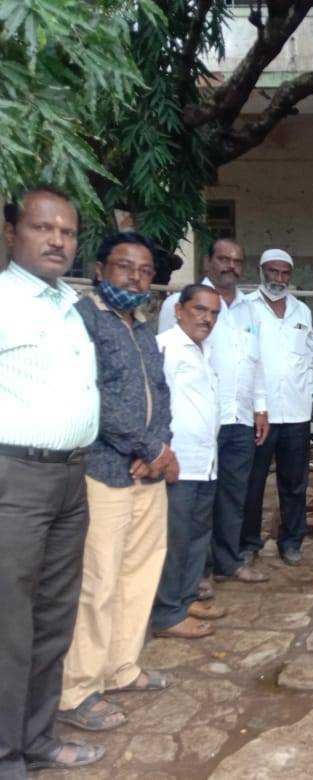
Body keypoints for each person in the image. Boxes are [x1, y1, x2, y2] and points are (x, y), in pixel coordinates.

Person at [0, 186, 104, 774]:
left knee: (52, 619)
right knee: (8, 626)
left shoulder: (67, 303)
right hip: (15, 479)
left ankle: (36, 741)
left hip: (68, 478)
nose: (58, 240)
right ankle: (6, 754)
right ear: (12, 230)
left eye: (67, 231)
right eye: (44, 228)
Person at [58, 233, 176, 734]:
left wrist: (159, 449)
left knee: (139, 572)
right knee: (98, 581)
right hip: (104, 470)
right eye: (125, 267)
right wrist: (147, 449)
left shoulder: (143, 327)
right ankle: (77, 689)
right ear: (101, 268)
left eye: (145, 271)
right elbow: (94, 395)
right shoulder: (85, 322)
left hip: (146, 474)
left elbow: (161, 394)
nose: (135, 277)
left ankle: (121, 667)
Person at [159, 239, 269, 589]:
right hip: (199, 423)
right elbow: (164, 368)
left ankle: (227, 560)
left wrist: (260, 407)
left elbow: (256, 361)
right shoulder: (183, 304)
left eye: (237, 261)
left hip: (239, 418)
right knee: (192, 501)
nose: (230, 266)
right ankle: (197, 572)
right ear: (208, 262)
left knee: (234, 494)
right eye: (223, 259)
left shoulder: (250, 309)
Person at [152, 285, 224, 640]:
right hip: (177, 460)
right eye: (200, 310)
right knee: (175, 538)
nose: (207, 319)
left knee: (197, 535)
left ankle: (185, 598)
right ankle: (167, 613)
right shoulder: (164, 347)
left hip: (204, 460)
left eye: (213, 313)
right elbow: (153, 404)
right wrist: (163, 451)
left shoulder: (203, 350)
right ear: (179, 310)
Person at [242, 249, 313, 567]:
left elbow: (309, 356)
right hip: (259, 414)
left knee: (294, 482)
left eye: (285, 273)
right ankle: (248, 544)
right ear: (261, 272)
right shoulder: (244, 308)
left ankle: (291, 541)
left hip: (296, 412)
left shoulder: (302, 311)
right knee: (253, 482)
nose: (279, 279)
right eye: (273, 272)